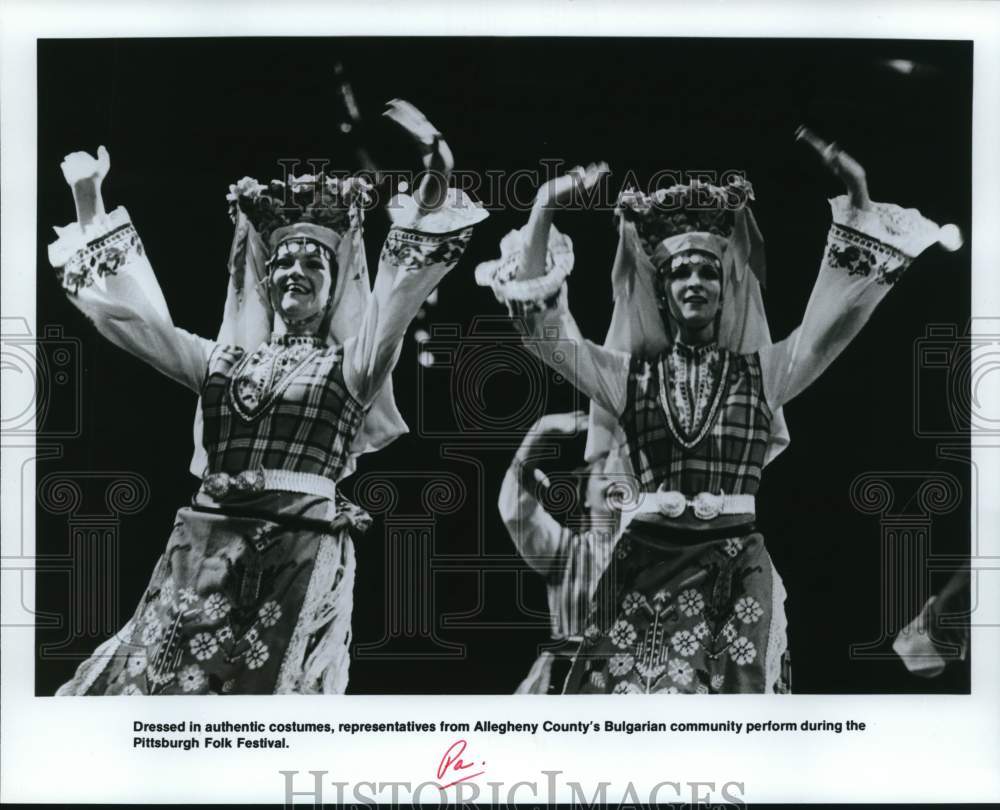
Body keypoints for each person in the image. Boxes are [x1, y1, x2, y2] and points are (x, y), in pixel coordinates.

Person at [476, 135, 944, 694]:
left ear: (725, 291)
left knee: (734, 722)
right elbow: (550, 337)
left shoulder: (764, 373)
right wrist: (545, 204)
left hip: (735, 567)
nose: (694, 281)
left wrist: (859, 194)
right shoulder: (629, 379)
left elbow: (829, 329)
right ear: (663, 292)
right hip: (642, 568)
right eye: (679, 273)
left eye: (707, 272)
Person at [49, 100, 488, 695]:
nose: (295, 270)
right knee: (153, 696)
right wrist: (88, 200)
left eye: (315, 262)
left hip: (295, 558)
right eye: (283, 260)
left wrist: (437, 163)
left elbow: (399, 283)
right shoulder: (219, 362)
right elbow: (137, 321)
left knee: (270, 703)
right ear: (264, 278)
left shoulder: (352, 366)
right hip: (201, 553)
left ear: (335, 288)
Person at [498, 411, 625, 694]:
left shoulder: (647, 552)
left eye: (620, 476)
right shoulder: (565, 551)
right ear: (584, 494)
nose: (613, 482)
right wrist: (539, 430)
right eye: (603, 475)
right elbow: (515, 512)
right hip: (566, 680)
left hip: (625, 678)